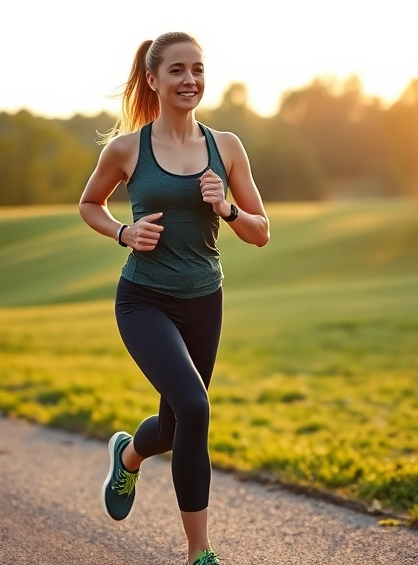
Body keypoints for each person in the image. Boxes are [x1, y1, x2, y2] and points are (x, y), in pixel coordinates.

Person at [77, 32, 270, 565]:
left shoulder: (226, 146)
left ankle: (128, 454)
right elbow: (90, 204)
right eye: (178, 71)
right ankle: (199, 554)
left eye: (198, 70)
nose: (190, 80)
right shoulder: (128, 148)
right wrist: (122, 232)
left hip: (204, 300)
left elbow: (261, 231)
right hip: (143, 300)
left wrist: (227, 209)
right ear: (153, 80)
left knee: (174, 424)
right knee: (194, 406)